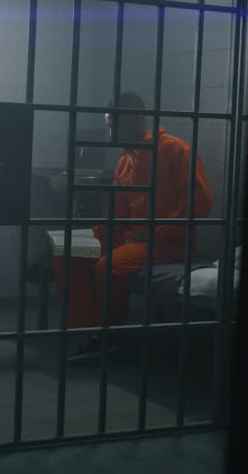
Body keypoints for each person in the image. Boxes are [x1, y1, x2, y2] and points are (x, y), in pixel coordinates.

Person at [53, 91, 214, 364]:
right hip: (131, 237)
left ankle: (110, 336)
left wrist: (156, 230)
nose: (111, 133)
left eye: (114, 125)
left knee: (109, 266)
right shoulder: (126, 159)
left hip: (168, 244)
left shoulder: (175, 150)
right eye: (108, 126)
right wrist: (98, 234)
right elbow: (116, 209)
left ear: (136, 119)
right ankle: (90, 329)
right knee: (67, 248)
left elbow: (201, 202)